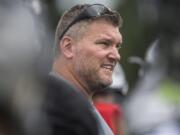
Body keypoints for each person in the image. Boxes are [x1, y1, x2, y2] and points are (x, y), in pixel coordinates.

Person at [43, 3, 123, 135]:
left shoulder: (79, 110)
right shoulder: (48, 113)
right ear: (68, 47)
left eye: (117, 46)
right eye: (104, 43)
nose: (116, 55)